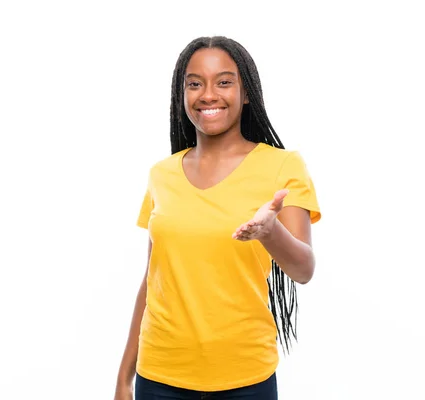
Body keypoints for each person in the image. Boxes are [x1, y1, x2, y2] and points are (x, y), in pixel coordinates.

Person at [114, 36, 321, 400]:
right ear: (182, 96)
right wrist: (123, 378)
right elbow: (153, 280)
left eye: (224, 81)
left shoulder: (282, 167)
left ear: (245, 93)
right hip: (160, 375)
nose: (208, 94)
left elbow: (303, 269)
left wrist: (270, 233)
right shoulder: (161, 175)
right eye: (195, 83)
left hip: (246, 379)